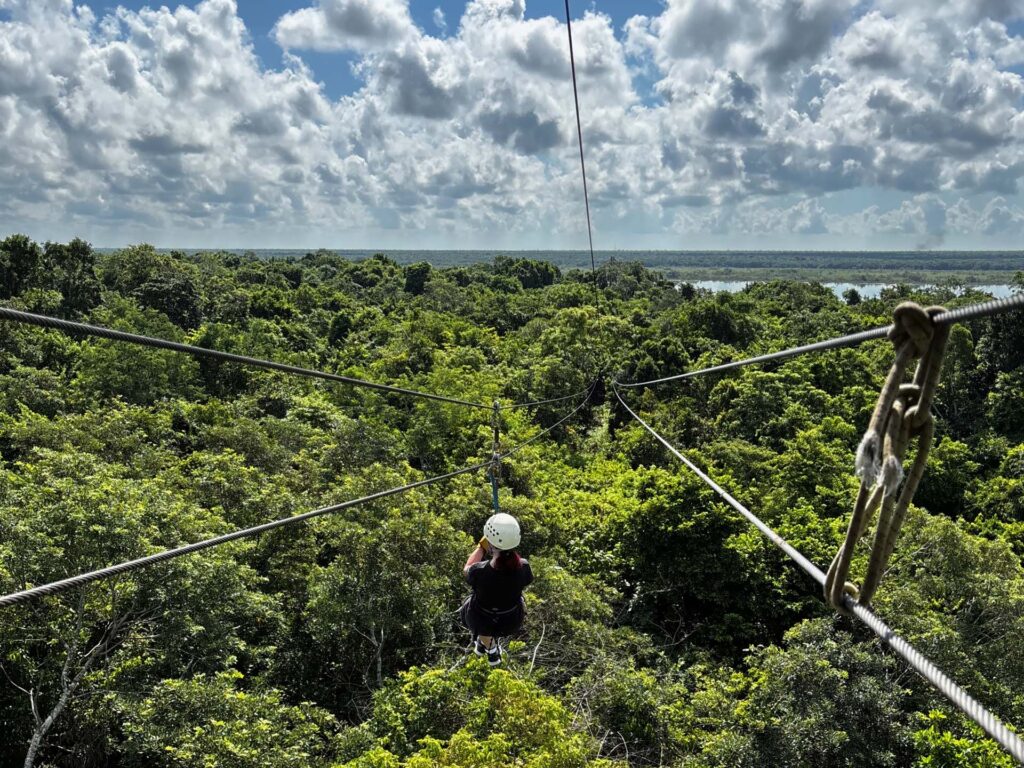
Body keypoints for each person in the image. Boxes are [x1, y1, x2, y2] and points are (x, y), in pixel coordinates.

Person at [459, 512, 533, 666]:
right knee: (496, 610)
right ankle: (485, 645)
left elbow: (467, 569)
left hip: (480, 621)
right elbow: (521, 577)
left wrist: (481, 547)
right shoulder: (524, 567)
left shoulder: (479, 571)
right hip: (511, 621)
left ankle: (491, 649)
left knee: (472, 608)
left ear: (491, 544)